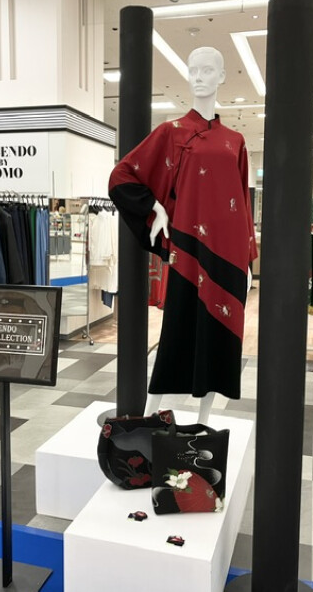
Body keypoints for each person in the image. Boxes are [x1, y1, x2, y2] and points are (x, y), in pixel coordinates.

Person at [108, 47, 257, 424]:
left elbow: (242, 202)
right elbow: (122, 175)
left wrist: (247, 259)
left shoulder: (235, 141)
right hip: (188, 250)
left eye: (207, 70)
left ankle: (204, 424)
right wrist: (154, 207)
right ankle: (148, 418)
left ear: (222, 76)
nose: (198, 77)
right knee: (177, 331)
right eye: (193, 70)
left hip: (227, 252)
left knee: (220, 335)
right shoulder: (171, 132)